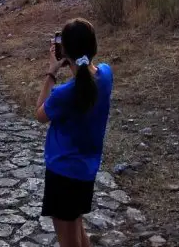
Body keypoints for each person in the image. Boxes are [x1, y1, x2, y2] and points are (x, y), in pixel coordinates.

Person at [35, 18, 113, 247]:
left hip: (62, 172)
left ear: (64, 51)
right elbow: (88, 75)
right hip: (86, 171)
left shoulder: (64, 94)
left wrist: (51, 72)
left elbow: (40, 114)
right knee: (78, 232)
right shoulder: (106, 76)